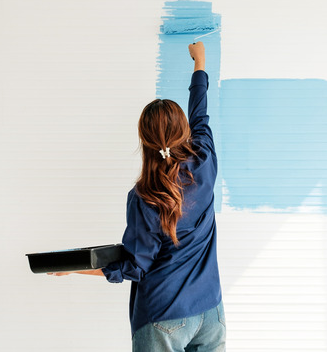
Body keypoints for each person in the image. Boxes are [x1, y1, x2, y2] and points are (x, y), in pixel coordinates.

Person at [49, 41, 225, 352]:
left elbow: (134, 266)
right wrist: (200, 62)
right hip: (210, 312)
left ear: (144, 141)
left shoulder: (145, 197)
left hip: (163, 318)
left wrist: (74, 265)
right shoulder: (205, 160)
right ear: (185, 130)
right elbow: (201, 112)